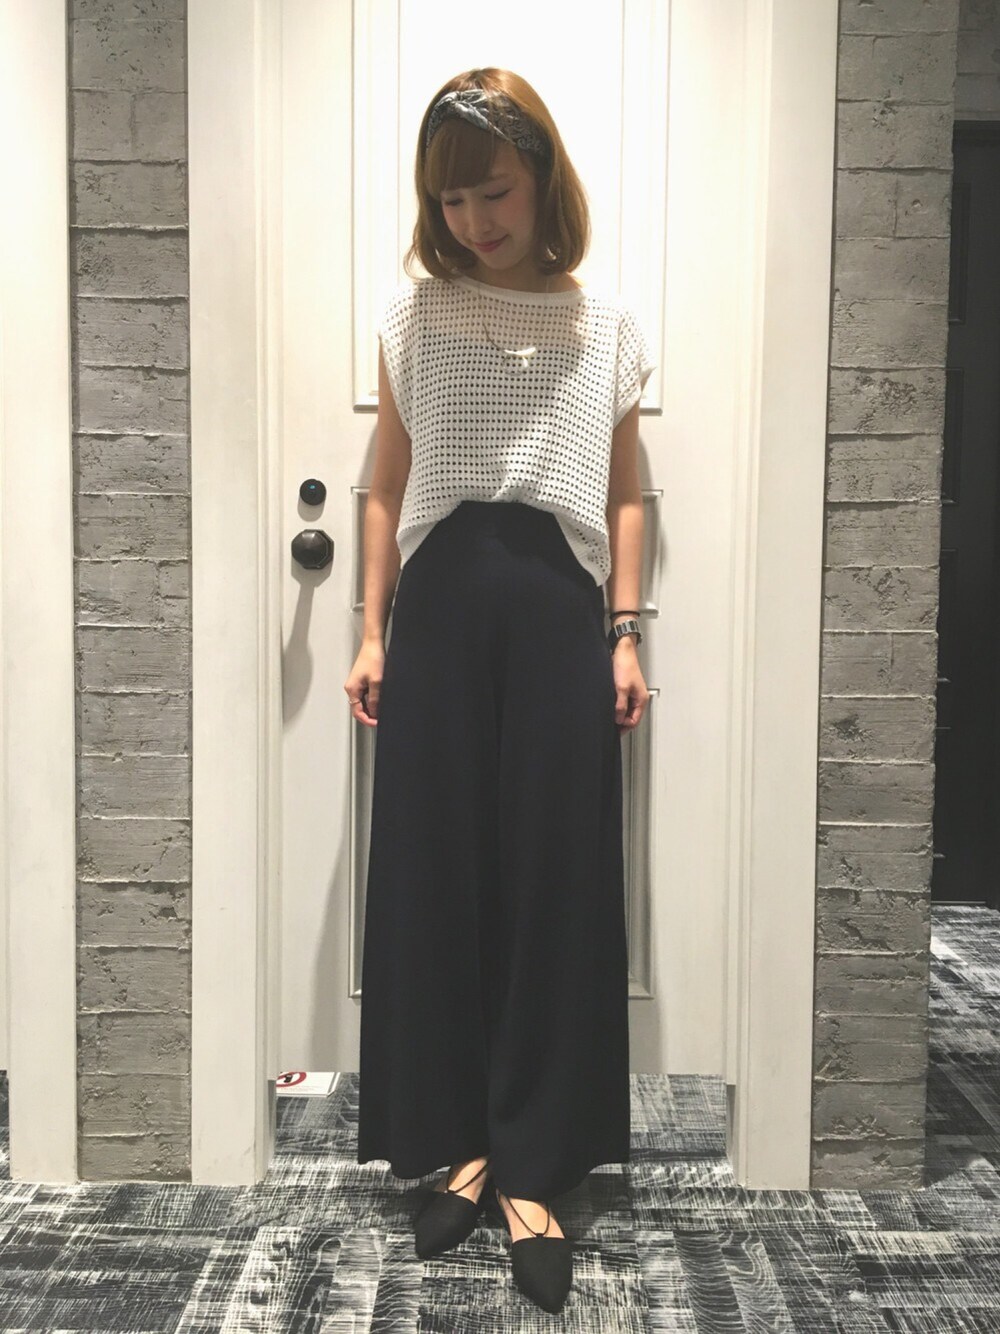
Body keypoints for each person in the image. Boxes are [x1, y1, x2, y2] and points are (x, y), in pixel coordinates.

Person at [344, 67, 655, 1315]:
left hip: (555, 610)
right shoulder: (415, 318)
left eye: (494, 191)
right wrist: (371, 630)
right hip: (441, 606)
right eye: (452, 198)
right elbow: (383, 484)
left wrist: (624, 632)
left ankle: (536, 1163)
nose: (473, 219)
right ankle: (463, 1142)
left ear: (542, 183)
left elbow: (625, 494)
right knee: (439, 874)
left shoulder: (604, 327)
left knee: (552, 878)